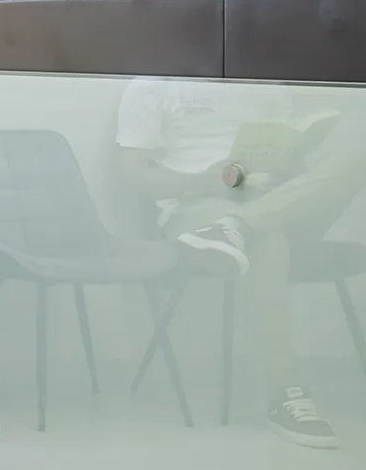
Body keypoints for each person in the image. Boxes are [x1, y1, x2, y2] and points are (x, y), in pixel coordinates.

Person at [119, 78, 366, 449]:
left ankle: (240, 225)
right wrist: (200, 182)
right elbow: (133, 176)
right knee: (267, 242)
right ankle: (284, 392)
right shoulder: (152, 85)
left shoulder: (267, 80)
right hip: (200, 205)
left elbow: (289, 154)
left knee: (358, 150)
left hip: (277, 203)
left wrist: (293, 172)